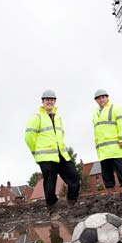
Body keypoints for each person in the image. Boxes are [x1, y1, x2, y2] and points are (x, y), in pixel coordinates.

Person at [25, 90, 80, 219]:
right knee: (50, 183)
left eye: (52, 99)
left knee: (74, 177)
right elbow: (28, 137)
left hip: (61, 154)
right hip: (46, 157)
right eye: (47, 99)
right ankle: (52, 209)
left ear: (55, 101)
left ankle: (72, 203)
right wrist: (36, 152)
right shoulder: (36, 117)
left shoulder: (58, 118)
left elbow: (61, 136)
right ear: (42, 102)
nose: (50, 101)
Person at [93, 89, 122, 193]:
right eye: (98, 98)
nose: (101, 100)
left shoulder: (116, 109)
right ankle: (111, 196)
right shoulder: (95, 114)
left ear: (107, 98)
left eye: (103, 97)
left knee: (121, 171)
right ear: (96, 100)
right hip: (103, 151)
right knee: (106, 175)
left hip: (115, 147)